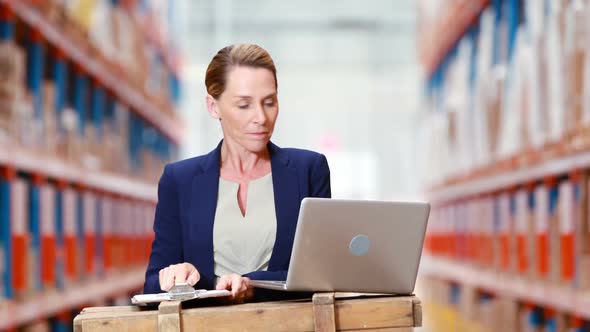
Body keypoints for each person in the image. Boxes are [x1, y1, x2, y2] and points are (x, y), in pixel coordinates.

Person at [143, 44, 331, 304]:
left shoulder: (308, 169)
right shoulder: (179, 180)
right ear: (213, 107)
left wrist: (251, 284)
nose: (261, 117)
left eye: (269, 102)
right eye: (244, 105)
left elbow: (321, 274)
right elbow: (151, 283)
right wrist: (174, 278)